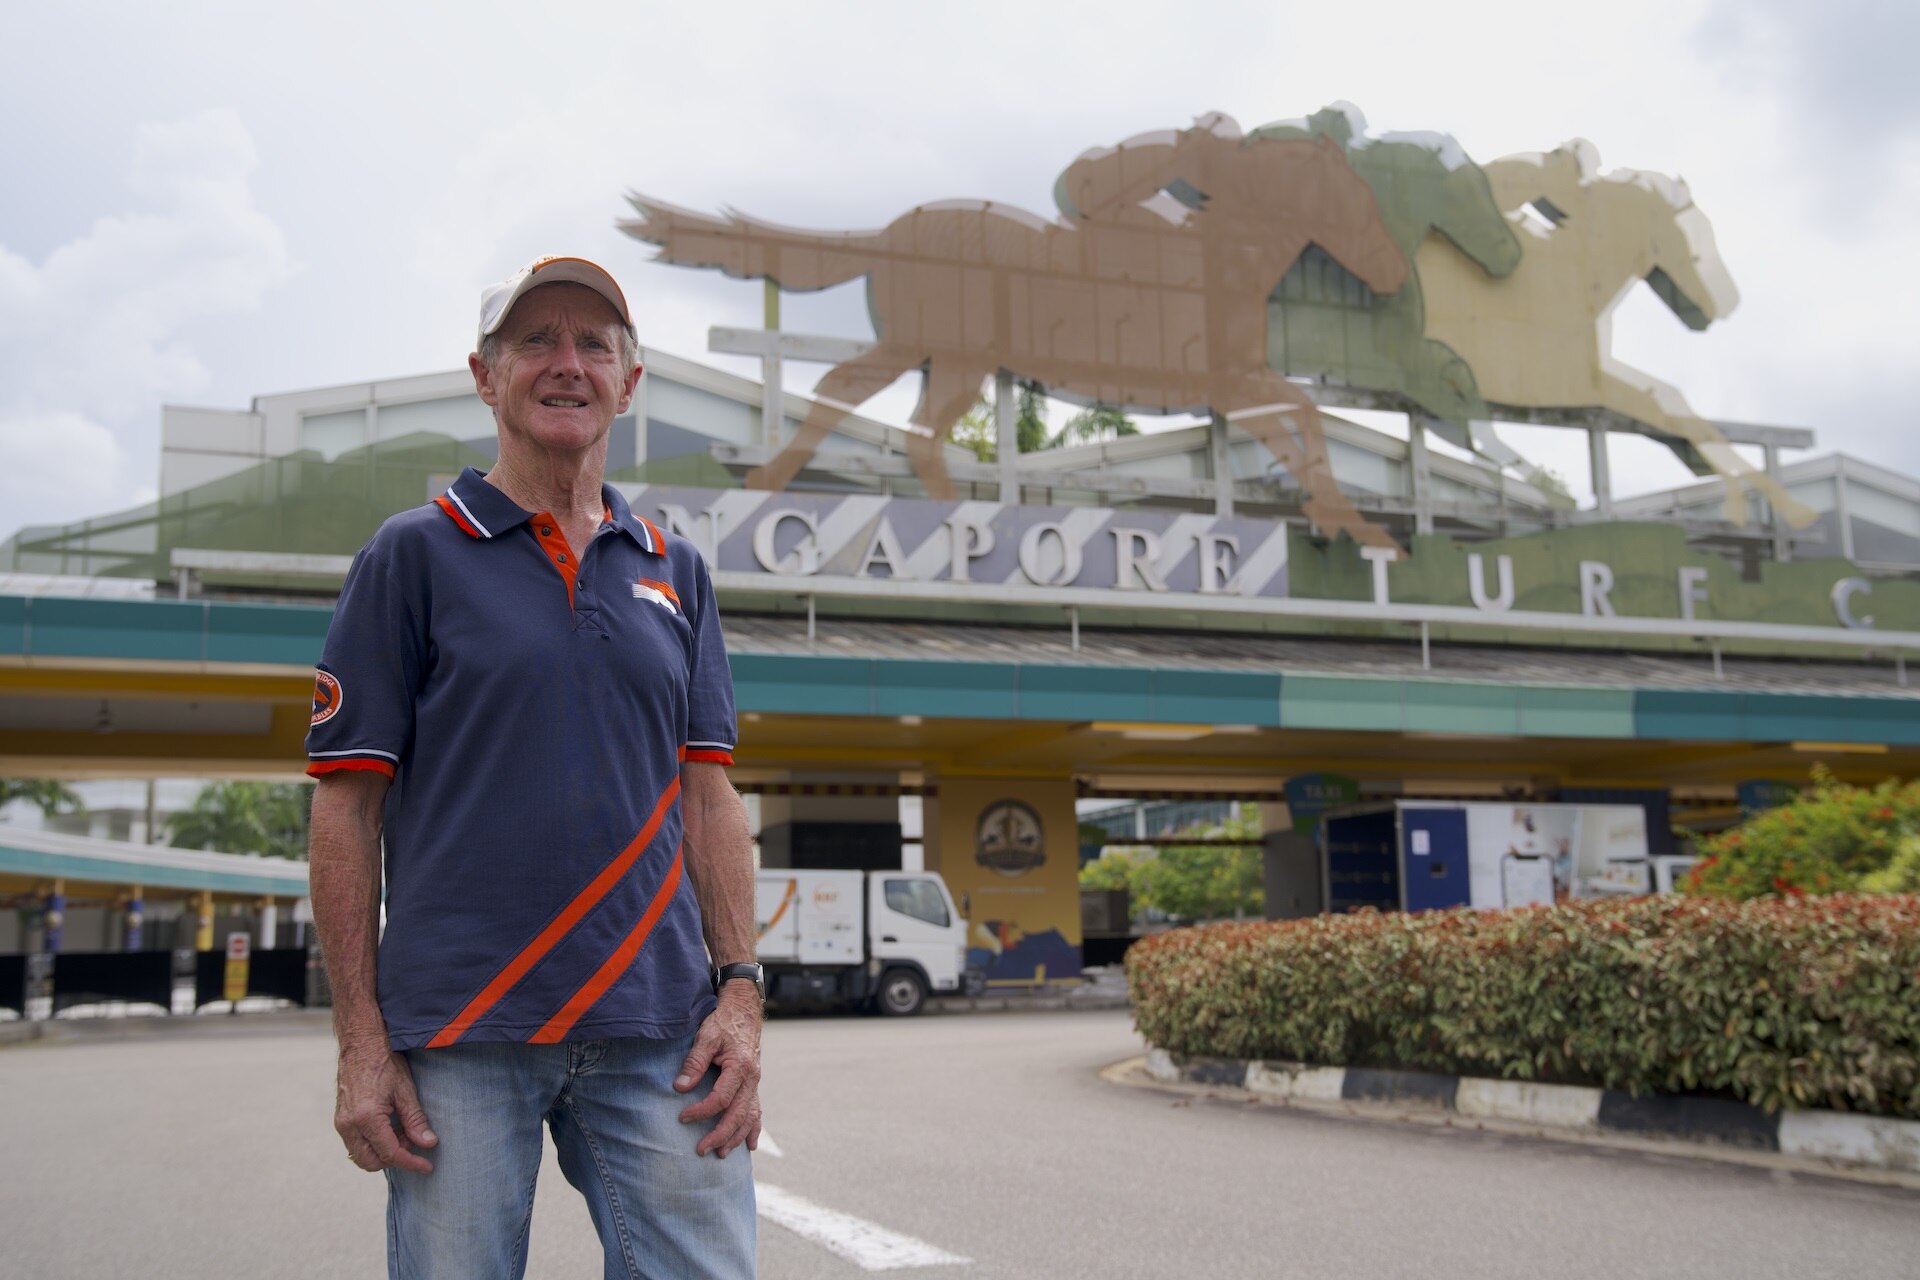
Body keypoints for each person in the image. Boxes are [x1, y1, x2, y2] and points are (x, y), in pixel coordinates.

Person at [306, 255, 762, 1280]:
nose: (568, 364)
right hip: (463, 1027)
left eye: (594, 344)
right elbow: (347, 809)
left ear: (629, 383)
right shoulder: (413, 555)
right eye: (536, 342)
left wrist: (741, 995)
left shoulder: (674, 567)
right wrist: (360, 1039)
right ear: (484, 374)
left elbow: (707, 793)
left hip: (664, 1028)